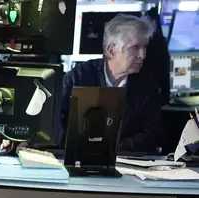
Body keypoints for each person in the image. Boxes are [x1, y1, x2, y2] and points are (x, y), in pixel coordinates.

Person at [59, 14, 164, 153]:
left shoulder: (146, 83)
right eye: (135, 48)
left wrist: (115, 147)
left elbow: (154, 133)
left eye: (144, 47)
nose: (142, 55)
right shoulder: (78, 78)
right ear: (111, 51)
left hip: (127, 164)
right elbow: (59, 129)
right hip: (80, 160)